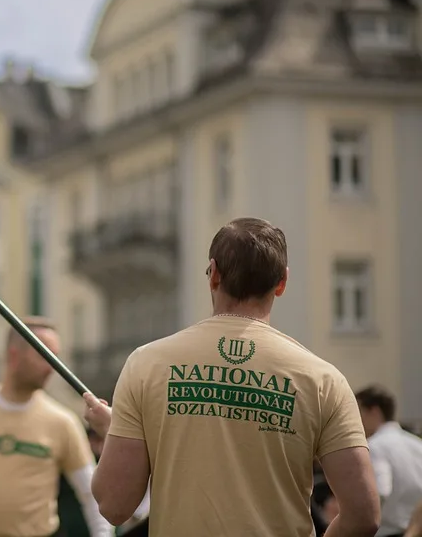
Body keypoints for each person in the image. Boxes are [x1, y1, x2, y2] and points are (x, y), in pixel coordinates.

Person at [83, 217, 381, 536]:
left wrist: (119, 432)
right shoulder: (324, 380)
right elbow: (363, 514)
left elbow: (115, 505)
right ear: (282, 282)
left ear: (213, 274)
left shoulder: (146, 364)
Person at [0, 318, 112, 537]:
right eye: (45, 356)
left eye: (55, 356)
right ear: (14, 356)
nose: (52, 367)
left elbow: (91, 493)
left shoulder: (62, 421)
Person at [355, 385, 422, 537]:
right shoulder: (417, 444)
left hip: (388, 532)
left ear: (374, 411)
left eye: (358, 412)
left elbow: (380, 491)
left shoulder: (375, 446)